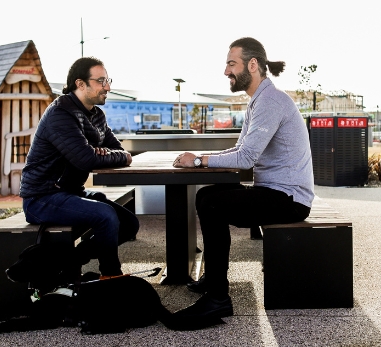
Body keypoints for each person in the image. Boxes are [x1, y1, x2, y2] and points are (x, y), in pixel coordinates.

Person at [172, 37, 314, 319]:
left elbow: (245, 159)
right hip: (276, 191)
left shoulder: (270, 101)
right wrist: (199, 157)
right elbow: (239, 150)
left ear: (253, 65)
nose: (226, 71)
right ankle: (214, 280)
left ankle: (217, 298)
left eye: (231, 64)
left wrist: (199, 161)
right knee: (207, 195)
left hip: (289, 199)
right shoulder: (259, 100)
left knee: (211, 203)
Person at [20, 57, 139, 279]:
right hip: (42, 197)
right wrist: (99, 154)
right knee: (105, 215)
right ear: (80, 84)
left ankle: (69, 260)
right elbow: (86, 160)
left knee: (129, 223)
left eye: (107, 80)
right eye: (101, 81)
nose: (108, 87)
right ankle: (111, 276)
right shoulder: (60, 114)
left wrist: (108, 154)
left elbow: (120, 151)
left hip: (69, 191)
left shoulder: (95, 115)